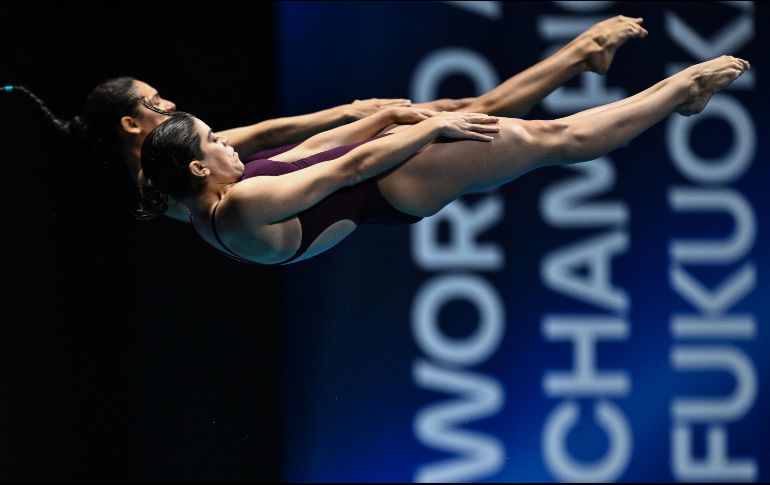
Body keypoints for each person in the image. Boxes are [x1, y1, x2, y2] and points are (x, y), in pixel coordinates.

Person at [5, 15, 649, 222]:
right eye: (152, 102)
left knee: (460, 114)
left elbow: (270, 133)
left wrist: (348, 111)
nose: (169, 104)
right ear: (129, 125)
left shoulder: (190, 148)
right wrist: (364, 127)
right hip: (316, 197)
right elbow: (324, 169)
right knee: (470, 122)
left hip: (302, 177)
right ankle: (577, 58)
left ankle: (578, 58)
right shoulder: (169, 174)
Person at [139, 56, 750, 265]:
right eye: (215, 140)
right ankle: (683, 88)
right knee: (557, 141)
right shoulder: (241, 206)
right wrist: (429, 125)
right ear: (197, 169)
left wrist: (378, 118)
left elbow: (305, 152)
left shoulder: (198, 202)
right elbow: (347, 171)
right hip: (391, 187)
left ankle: (628, 73)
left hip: (377, 171)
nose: (229, 143)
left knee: (514, 122)